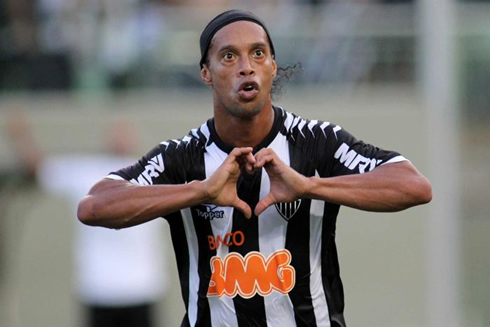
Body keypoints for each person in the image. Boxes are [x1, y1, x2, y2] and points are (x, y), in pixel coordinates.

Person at [77, 9, 432, 327]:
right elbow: (94, 206)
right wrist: (199, 192)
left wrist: (310, 187)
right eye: (228, 56)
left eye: (258, 53)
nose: (246, 66)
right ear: (206, 73)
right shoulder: (183, 157)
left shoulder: (317, 142)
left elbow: (414, 186)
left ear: (273, 66)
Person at [7, 112, 168, 327]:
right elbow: (40, 169)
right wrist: (21, 136)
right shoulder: (88, 172)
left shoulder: (155, 177)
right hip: (99, 288)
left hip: (141, 287)